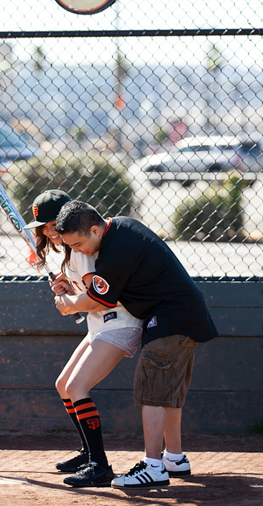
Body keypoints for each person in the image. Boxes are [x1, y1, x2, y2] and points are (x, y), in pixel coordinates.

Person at [54, 201, 218, 490]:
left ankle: (153, 466)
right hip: (182, 313)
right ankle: (174, 458)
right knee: (166, 391)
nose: (77, 251)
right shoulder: (122, 226)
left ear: (95, 229)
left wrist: (68, 306)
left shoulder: (115, 252)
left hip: (171, 317)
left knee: (152, 392)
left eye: (78, 244)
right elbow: (100, 290)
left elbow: (96, 300)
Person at [24, 190, 143, 488]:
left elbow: (99, 299)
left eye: (53, 224)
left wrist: (70, 303)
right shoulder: (72, 250)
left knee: (77, 386)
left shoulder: (80, 249)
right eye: (44, 227)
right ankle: (88, 453)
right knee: (64, 385)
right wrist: (69, 284)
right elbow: (86, 289)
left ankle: (99, 465)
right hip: (101, 325)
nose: (49, 231)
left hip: (118, 323)